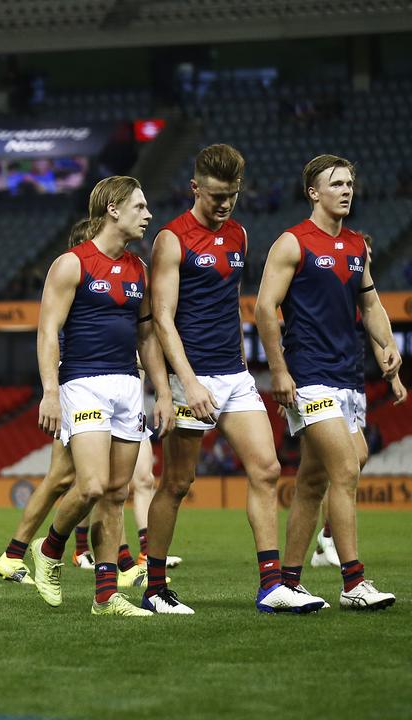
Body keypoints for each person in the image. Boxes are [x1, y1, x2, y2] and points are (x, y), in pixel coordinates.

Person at [145, 144, 322, 613]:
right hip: (192, 376)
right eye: (216, 195)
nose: (224, 204)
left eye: (232, 195)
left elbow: (230, 307)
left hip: (235, 373)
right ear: (195, 188)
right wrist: (188, 382)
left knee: (266, 468)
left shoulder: (240, 235)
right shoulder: (171, 238)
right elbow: (162, 318)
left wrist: (246, 366)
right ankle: (155, 588)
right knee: (177, 483)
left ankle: (271, 586)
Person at [254, 155, 400, 610]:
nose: (346, 189)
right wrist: (279, 372)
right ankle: (354, 583)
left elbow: (371, 304)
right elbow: (263, 309)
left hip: (349, 378)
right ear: (313, 193)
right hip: (310, 378)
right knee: (347, 469)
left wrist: (386, 345)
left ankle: (289, 582)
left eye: (350, 182)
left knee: (313, 481)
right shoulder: (292, 243)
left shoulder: (358, 246)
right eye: (335, 183)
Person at [29, 176, 174, 616]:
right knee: (90, 486)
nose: (148, 215)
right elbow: (47, 330)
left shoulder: (139, 270)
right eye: (140, 206)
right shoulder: (72, 264)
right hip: (83, 383)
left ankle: (106, 596)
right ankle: (48, 549)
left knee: (115, 494)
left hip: (128, 387)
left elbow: (147, 337)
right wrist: (50, 392)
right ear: (113, 208)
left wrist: (162, 392)